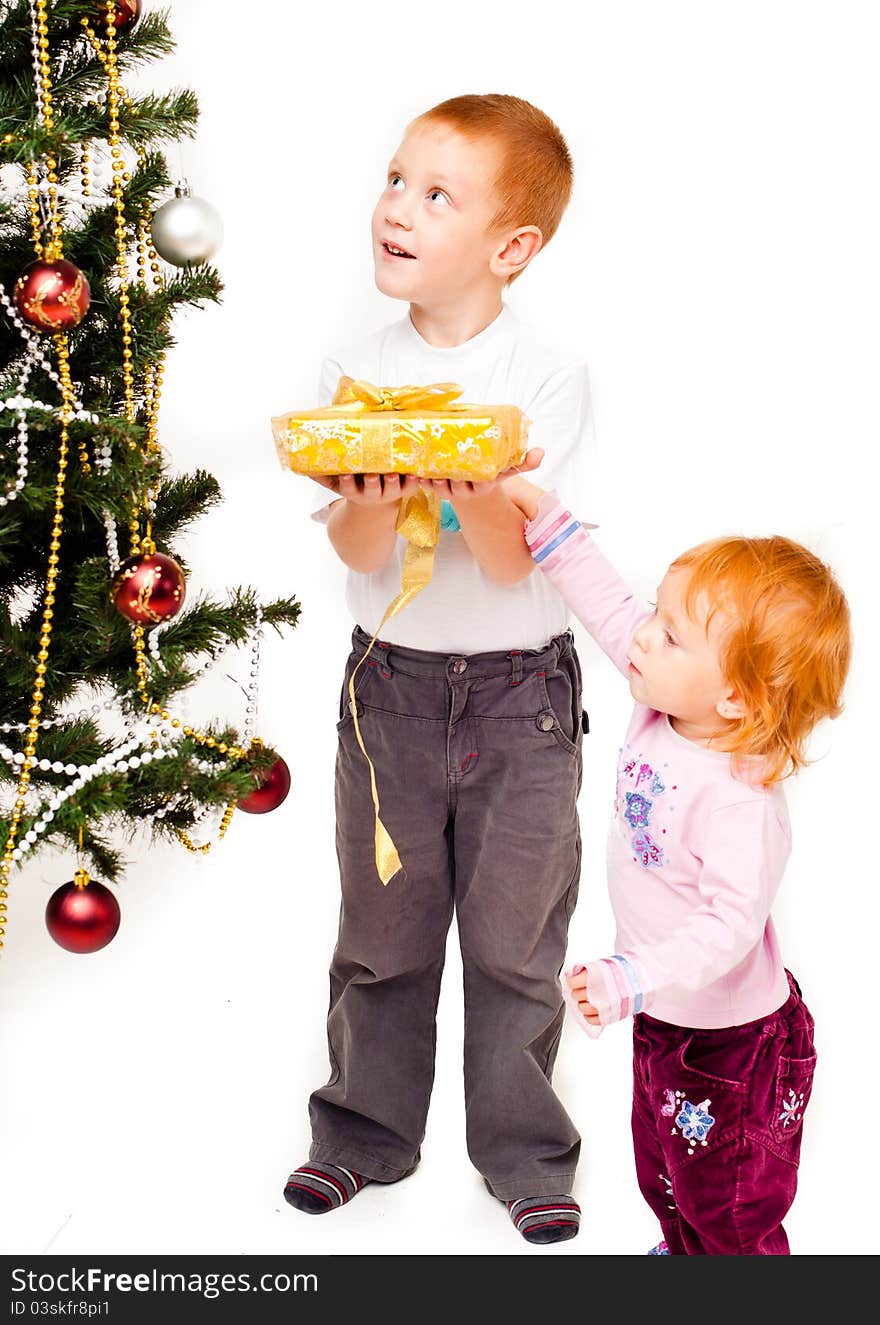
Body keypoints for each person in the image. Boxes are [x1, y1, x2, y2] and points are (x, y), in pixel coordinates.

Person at [281, 94, 593, 1244]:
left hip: (522, 696)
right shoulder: (353, 366)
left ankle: (522, 1149)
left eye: (436, 194)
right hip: (390, 690)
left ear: (510, 246)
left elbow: (516, 566)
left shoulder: (545, 376)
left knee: (516, 940)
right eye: (397, 180)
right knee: (383, 930)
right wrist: (377, 495)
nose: (396, 209)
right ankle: (362, 1131)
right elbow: (355, 548)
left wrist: (473, 488)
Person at [515, 482, 851, 1254]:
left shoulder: (740, 801)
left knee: (727, 1202)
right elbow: (608, 609)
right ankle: (683, 1248)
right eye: (657, 618)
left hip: (730, 1042)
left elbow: (727, 929)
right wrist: (544, 519)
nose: (643, 638)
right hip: (668, 1018)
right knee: (662, 1169)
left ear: (735, 695)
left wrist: (628, 976)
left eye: (669, 635)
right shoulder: (666, 702)